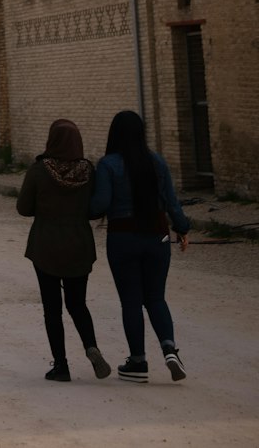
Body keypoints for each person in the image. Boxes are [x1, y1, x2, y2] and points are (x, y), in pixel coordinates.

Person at [89, 110, 191, 383]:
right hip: (157, 237)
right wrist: (182, 229)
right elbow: (172, 203)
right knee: (156, 297)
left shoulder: (108, 165)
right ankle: (169, 348)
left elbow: (99, 205)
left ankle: (138, 362)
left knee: (131, 301)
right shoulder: (157, 162)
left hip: (123, 238)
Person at [16, 118, 111, 383]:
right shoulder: (87, 171)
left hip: (45, 245)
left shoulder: (39, 170)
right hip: (79, 244)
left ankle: (61, 365)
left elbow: (23, 208)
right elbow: (94, 210)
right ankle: (91, 346)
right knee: (77, 303)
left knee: (52, 308)